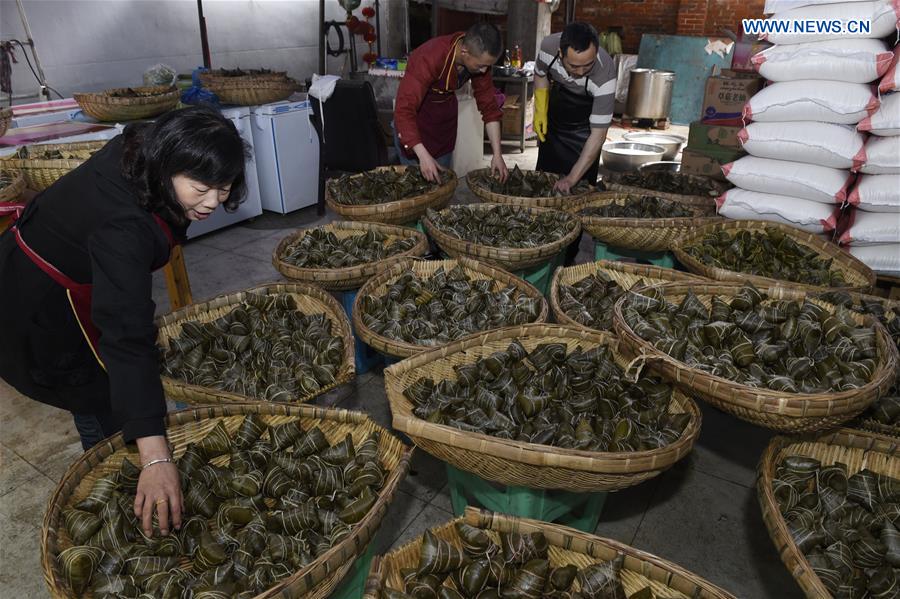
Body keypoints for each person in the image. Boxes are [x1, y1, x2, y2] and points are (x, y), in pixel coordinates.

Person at [0, 106, 247, 538]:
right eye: (201, 188)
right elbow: (127, 335)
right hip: (38, 302)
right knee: (97, 393)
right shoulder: (124, 228)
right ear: (167, 167)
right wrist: (155, 455)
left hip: (57, 265)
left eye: (223, 188)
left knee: (114, 387)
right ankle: (116, 473)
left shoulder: (146, 145)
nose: (213, 201)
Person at [394, 22, 509, 183]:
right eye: (481, 65)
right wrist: (422, 155)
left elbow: (489, 107)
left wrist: (497, 154)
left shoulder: (476, 58)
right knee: (415, 193)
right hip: (415, 129)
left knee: (441, 192)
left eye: (487, 66)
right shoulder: (429, 57)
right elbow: (404, 110)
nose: (484, 71)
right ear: (464, 51)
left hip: (443, 130)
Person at [533, 22, 616, 192]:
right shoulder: (548, 47)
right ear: (560, 53)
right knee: (543, 184)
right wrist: (540, 110)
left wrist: (571, 179)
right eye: (573, 66)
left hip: (586, 131)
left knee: (580, 190)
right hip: (556, 121)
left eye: (588, 65)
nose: (580, 72)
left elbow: (598, 135)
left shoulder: (605, 74)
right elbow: (540, 74)